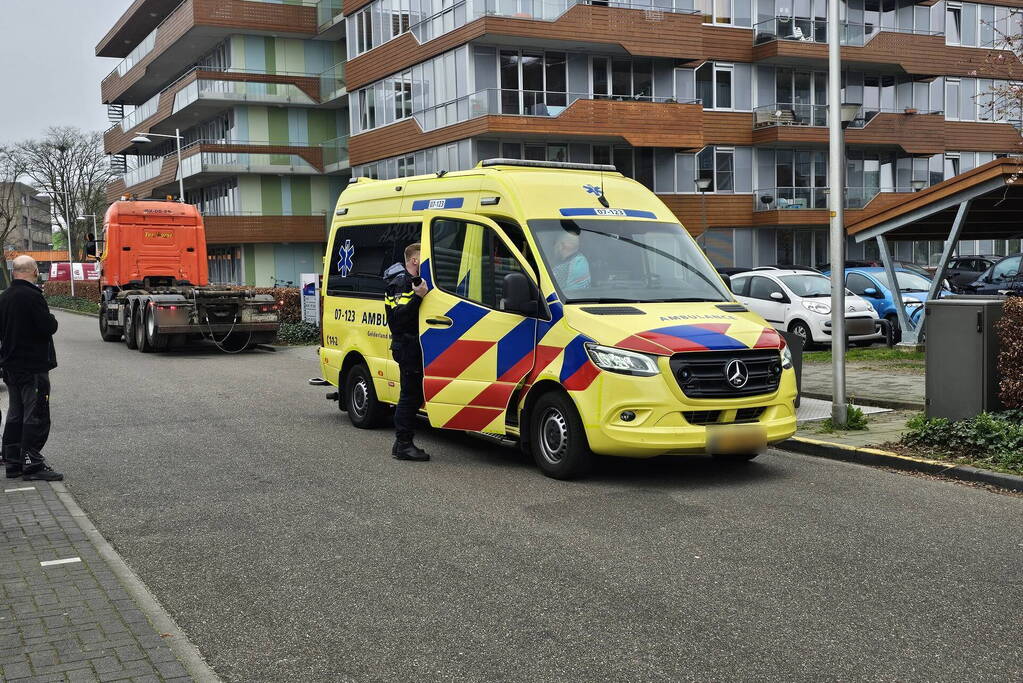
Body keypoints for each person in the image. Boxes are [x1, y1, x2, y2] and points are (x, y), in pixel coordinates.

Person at [0, 256, 63, 481]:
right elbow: (48, 327)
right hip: (32, 367)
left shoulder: (4, 297)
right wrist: (52, 318)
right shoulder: (33, 297)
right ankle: (32, 463)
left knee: (15, 413)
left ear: (15, 271)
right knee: (35, 414)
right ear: (34, 271)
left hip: (10, 367)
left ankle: (13, 462)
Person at [384, 243, 430, 462]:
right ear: (414, 260)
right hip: (407, 345)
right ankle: (404, 444)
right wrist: (418, 297)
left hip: (408, 344)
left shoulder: (404, 280)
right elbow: (398, 319)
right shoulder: (403, 282)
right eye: (424, 257)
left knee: (411, 394)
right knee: (410, 396)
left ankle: (399, 443)